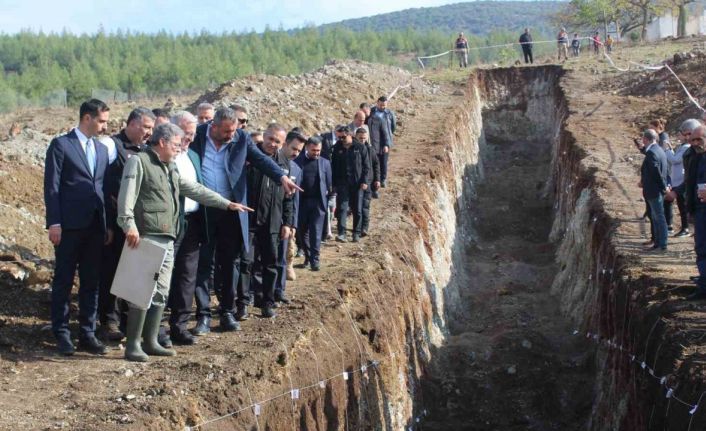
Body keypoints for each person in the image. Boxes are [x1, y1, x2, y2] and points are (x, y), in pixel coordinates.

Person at [117, 123, 250, 362]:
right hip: (146, 235)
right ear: (162, 142)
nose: (180, 148)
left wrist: (226, 203)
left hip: (168, 236)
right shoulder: (139, 161)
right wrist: (129, 225)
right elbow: (127, 196)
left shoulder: (170, 167)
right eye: (176, 144)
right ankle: (133, 344)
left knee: (161, 292)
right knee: (140, 292)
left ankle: (151, 341)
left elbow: (193, 189)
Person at [189, 108, 301, 334]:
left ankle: (227, 311)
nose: (232, 134)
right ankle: (202, 315)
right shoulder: (198, 136)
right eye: (227, 131)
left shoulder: (240, 138)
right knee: (203, 264)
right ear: (214, 126)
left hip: (232, 209)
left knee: (231, 263)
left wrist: (281, 176)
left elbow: (260, 159)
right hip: (204, 210)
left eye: (234, 130)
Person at [44, 99, 111, 356]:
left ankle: (87, 333)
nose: (105, 126)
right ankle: (61, 333)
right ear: (87, 118)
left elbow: (100, 188)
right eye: (102, 121)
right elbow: (52, 187)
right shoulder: (61, 145)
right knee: (63, 279)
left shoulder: (101, 150)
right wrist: (55, 222)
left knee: (91, 281)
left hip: (95, 226)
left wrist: (107, 226)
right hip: (69, 226)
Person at [99, 107, 156, 341]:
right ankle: (108, 320)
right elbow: (101, 185)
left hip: (139, 225)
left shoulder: (146, 151)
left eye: (152, 129)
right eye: (146, 127)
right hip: (116, 222)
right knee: (111, 272)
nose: (149, 133)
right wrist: (108, 225)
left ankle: (127, 321)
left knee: (132, 273)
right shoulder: (112, 147)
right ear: (131, 124)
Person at [239, 124, 295, 319]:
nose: (272, 144)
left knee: (270, 263)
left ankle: (267, 303)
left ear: (282, 143)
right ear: (264, 136)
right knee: (246, 262)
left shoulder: (285, 164)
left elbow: (289, 199)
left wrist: (287, 223)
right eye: (270, 139)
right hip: (249, 221)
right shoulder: (249, 158)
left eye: (277, 141)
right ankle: (243, 303)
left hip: (272, 223)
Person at [165, 111, 204, 345]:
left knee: (187, 276)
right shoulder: (164, 157)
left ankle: (180, 327)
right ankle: (157, 329)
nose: (189, 139)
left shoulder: (194, 157)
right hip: (169, 224)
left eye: (193, 134)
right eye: (186, 134)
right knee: (163, 276)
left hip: (192, 223)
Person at [275, 131, 305, 303]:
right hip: (268, 217)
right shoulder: (271, 163)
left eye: (299, 151)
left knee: (282, 257)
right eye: (294, 148)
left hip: (285, 221)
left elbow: (295, 200)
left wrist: (293, 224)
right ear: (285, 144)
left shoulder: (296, 169)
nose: (296, 153)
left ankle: (279, 290)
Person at [294, 136, 333, 271]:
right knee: (301, 231)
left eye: (318, 150)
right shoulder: (297, 161)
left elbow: (329, 183)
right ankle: (308, 256)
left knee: (315, 232)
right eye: (314, 150)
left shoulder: (325, 163)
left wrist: (330, 198)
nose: (316, 153)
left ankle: (315, 260)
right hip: (301, 202)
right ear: (307, 148)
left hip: (318, 202)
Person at [332, 126, 370, 243]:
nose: (341, 139)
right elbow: (333, 167)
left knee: (357, 209)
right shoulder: (337, 148)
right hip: (343, 183)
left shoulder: (360, 147)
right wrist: (333, 184)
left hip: (357, 183)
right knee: (342, 208)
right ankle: (341, 233)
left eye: (344, 137)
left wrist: (364, 181)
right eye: (339, 137)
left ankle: (356, 233)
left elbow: (366, 166)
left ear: (350, 135)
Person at [639, 129, 670, 252]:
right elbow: (664, 170)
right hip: (656, 189)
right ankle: (658, 243)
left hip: (654, 190)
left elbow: (656, 173)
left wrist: (664, 187)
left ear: (645, 139)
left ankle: (662, 244)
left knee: (658, 217)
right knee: (656, 216)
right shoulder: (660, 150)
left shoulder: (651, 153)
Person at [687, 126, 706, 300]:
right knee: (701, 249)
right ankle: (703, 285)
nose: (695, 143)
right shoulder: (696, 158)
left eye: (699, 139)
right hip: (699, 210)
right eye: (693, 140)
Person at [664, 123, 691, 238]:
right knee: (679, 205)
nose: (678, 137)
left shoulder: (686, 148)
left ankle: (685, 228)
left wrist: (667, 151)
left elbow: (675, 160)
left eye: (680, 135)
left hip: (680, 181)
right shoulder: (682, 147)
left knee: (682, 206)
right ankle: (680, 226)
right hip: (677, 180)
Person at [356, 127, 380, 236]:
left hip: (368, 182)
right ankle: (357, 227)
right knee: (357, 207)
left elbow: (376, 165)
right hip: (355, 183)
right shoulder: (352, 149)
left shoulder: (370, 150)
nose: (362, 140)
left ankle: (364, 228)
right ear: (356, 137)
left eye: (364, 138)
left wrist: (377, 179)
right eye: (360, 138)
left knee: (365, 206)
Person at [367, 96, 395, 188]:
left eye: (384, 105)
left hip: (385, 140)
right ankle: (375, 179)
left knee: (384, 161)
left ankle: (383, 179)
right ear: (377, 103)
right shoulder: (371, 112)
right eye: (381, 105)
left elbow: (393, 127)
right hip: (374, 140)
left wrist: (387, 143)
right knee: (375, 161)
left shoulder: (389, 114)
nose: (383, 107)